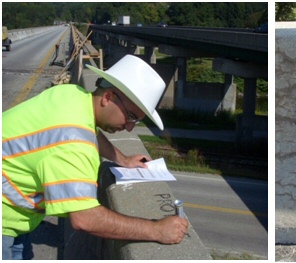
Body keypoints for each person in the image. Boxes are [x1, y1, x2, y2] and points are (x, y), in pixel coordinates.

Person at [2, 54, 188, 260]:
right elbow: (84, 218)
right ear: (108, 97)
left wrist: (122, 159)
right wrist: (156, 230)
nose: (129, 128)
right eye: (131, 117)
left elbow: (90, 132)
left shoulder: (72, 94)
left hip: (16, 219)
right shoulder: (72, 143)